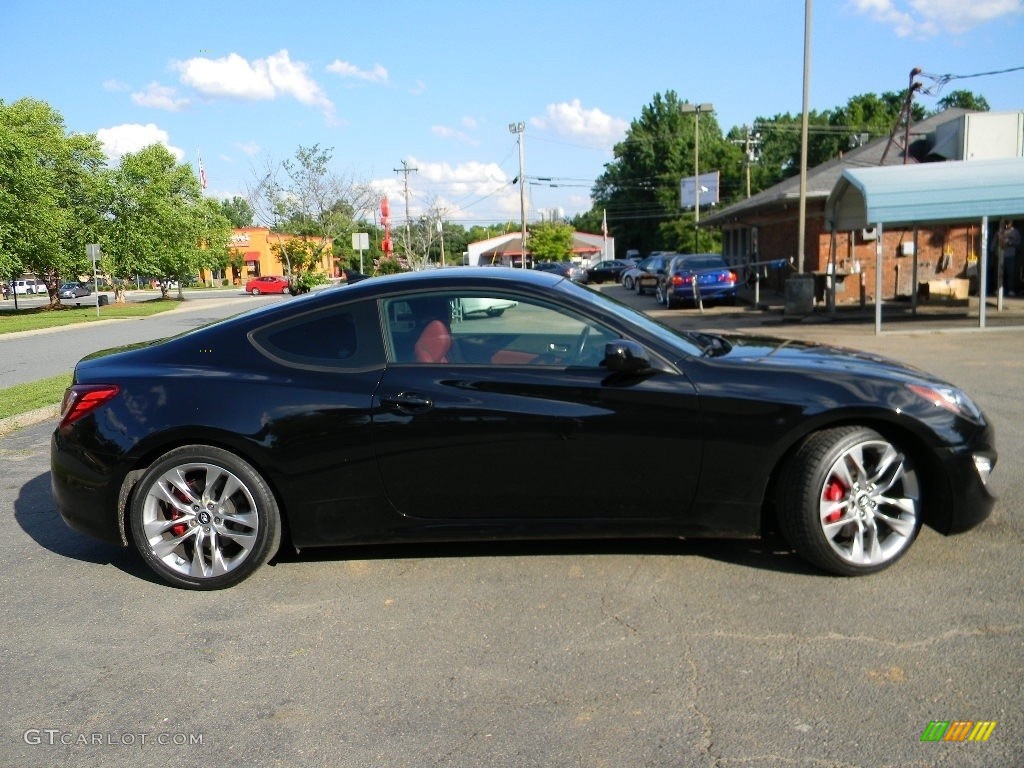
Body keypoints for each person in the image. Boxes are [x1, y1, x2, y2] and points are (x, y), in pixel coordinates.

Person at [997, 220, 1020, 296]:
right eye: (1006, 223)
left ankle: (1010, 289)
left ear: (1012, 223)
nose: (1007, 224)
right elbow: (996, 240)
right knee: (1000, 273)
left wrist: (1010, 242)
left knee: (1010, 273)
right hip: (1001, 255)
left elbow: (1018, 242)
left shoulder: (1015, 232)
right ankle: (1000, 289)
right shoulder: (1001, 231)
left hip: (1010, 255)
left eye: (1009, 223)